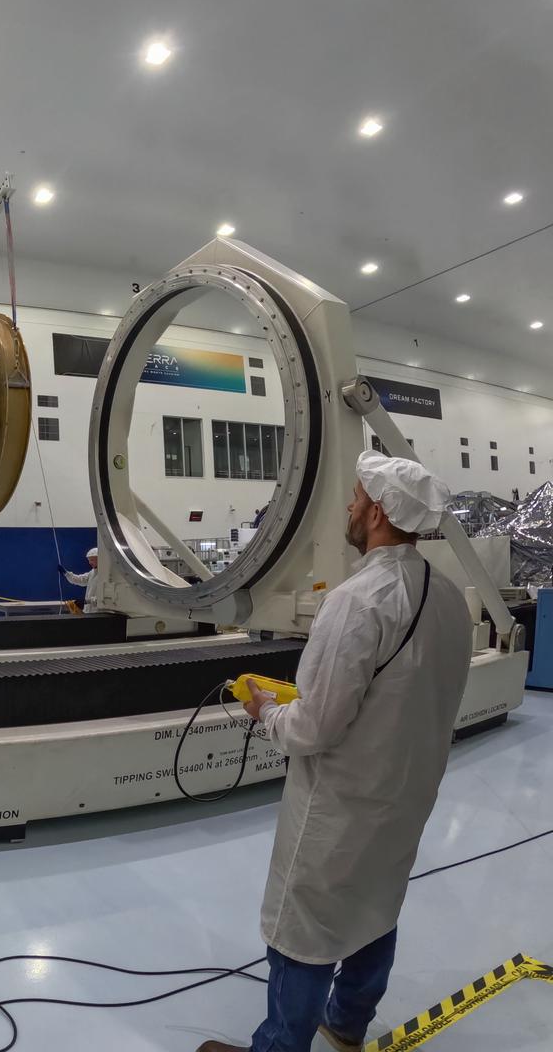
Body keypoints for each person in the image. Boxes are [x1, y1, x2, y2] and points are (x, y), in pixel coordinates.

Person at [197, 451, 470, 1052]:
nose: (348, 507)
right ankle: (347, 1024)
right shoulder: (448, 595)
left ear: (375, 512)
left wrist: (267, 711)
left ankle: (279, 1045)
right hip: (404, 794)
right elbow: (404, 695)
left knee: (308, 927)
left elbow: (313, 730)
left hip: (341, 804)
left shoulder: (358, 601)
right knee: (374, 906)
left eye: (353, 498)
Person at [58, 547, 99, 612]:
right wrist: (66, 573)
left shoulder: (105, 575)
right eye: (89, 560)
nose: (89, 563)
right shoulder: (92, 572)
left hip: (98, 612)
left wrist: (87, 601)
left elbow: (104, 599)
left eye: (92, 560)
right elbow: (80, 580)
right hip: (89, 611)